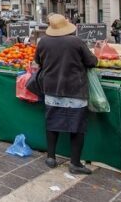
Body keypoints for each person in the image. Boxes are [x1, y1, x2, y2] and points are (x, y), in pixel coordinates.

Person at [34, 14, 99, 175]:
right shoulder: (76, 42)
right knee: (77, 127)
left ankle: (51, 157)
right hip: (74, 89)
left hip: (51, 88)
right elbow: (91, 61)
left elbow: (38, 61)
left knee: (52, 123)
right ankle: (75, 163)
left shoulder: (43, 42)